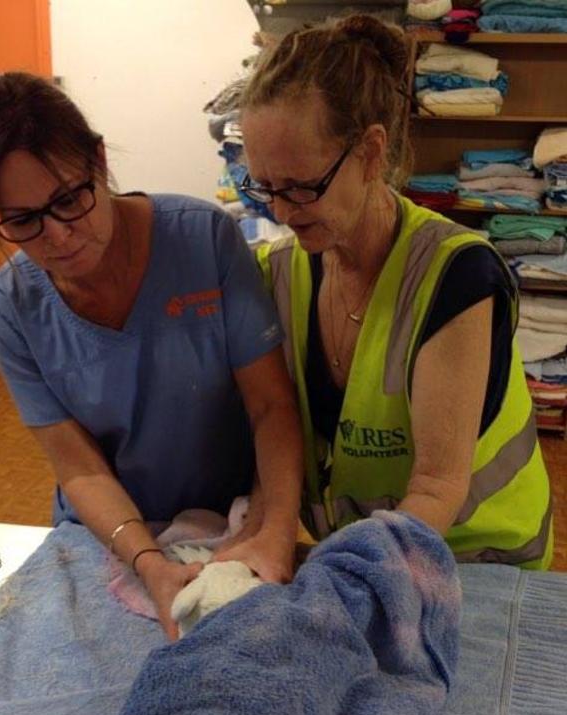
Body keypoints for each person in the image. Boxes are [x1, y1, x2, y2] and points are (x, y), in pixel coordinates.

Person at [0, 71, 304, 638]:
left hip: (233, 518)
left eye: (69, 200)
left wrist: (276, 534)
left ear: (98, 161)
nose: (58, 236)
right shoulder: (10, 306)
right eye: (23, 221)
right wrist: (147, 563)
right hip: (110, 532)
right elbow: (78, 466)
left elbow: (271, 408)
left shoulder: (204, 241)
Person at [237, 14, 553, 569]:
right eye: (263, 188)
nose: (282, 213)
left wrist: (343, 588)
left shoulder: (457, 276)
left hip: (479, 558)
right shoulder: (278, 272)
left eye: (302, 187)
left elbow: (435, 487)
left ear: (370, 152)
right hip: (362, 550)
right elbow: (272, 434)